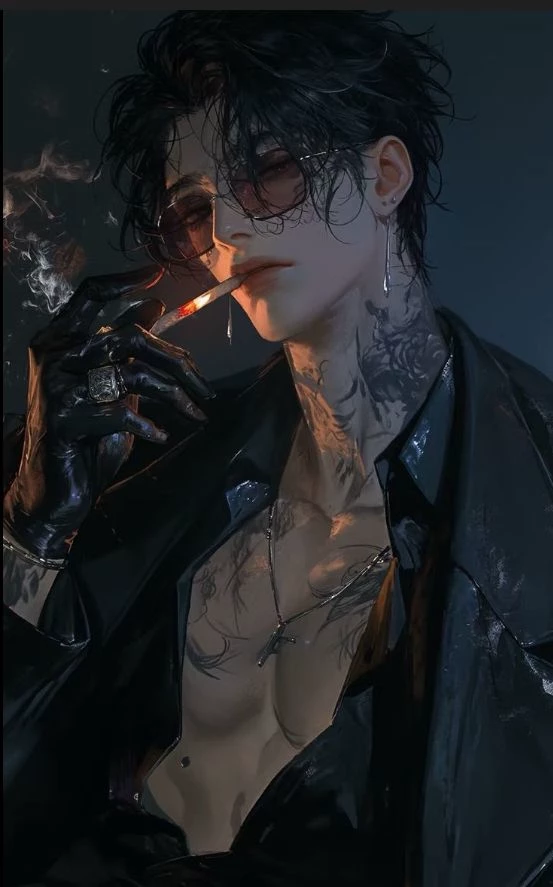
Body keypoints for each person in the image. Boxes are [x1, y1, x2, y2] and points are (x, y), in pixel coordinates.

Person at [3, 11, 553, 887]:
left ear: (384, 175)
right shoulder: (149, 453)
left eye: (268, 170)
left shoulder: (530, 482)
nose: (226, 228)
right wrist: (34, 525)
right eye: (196, 207)